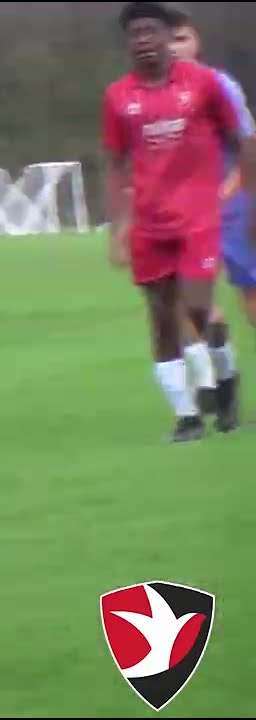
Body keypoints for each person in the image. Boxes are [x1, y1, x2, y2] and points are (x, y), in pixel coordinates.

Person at [102, 1, 255, 442]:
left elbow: (242, 138)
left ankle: (216, 383)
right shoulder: (117, 97)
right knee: (160, 317)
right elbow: (115, 162)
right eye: (135, 34)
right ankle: (188, 416)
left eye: (152, 31)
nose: (144, 40)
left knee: (195, 304)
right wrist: (118, 227)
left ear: (170, 38)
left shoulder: (205, 84)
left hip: (199, 217)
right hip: (151, 222)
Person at [167, 6, 254, 431]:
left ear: (196, 41)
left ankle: (223, 386)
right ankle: (223, 382)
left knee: (252, 302)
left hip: (235, 202)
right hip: (185, 212)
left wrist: (227, 193)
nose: (174, 48)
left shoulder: (219, 86)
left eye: (181, 39)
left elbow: (248, 145)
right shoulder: (151, 95)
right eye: (167, 41)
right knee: (192, 302)